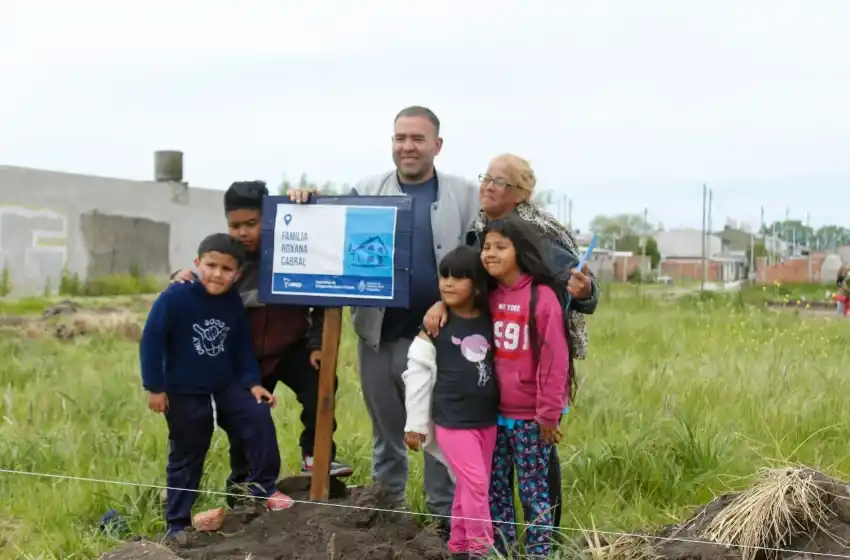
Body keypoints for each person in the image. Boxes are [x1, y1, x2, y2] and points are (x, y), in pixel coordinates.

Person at [287, 106, 480, 529]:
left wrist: (448, 304)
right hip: (379, 337)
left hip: (439, 341)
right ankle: (387, 523)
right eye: (400, 138)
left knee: (437, 435)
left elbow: (481, 261)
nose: (407, 147)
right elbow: (327, 241)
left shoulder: (465, 195)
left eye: (417, 139)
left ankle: (443, 525)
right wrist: (307, 204)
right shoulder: (366, 189)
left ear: (437, 145)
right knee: (386, 435)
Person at [424, 153, 597, 529]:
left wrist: (584, 292)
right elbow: (468, 281)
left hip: (537, 359)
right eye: (486, 177)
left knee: (537, 469)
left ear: (522, 192)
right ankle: (499, 539)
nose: (488, 186)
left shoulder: (540, 232)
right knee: (498, 473)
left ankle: (544, 542)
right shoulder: (481, 227)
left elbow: (581, 289)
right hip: (496, 364)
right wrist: (443, 301)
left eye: (500, 182)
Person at [170, 181, 353, 490]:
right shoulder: (227, 259)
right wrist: (179, 278)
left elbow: (324, 292)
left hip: (292, 346)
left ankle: (316, 455)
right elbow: (199, 281)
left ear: (268, 217)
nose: (243, 232)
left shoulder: (294, 247)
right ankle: (243, 485)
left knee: (319, 384)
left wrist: (316, 343)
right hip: (245, 357)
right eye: (235, 225)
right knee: (243, 419)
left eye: (251, 224)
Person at [140, 233, 293, 540]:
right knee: (189, 448)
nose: (217, 274)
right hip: (183, 388)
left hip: (225, 383)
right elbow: (151, 340)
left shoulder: (232, 302)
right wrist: (155, 387)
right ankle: (178, 523)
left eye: (226, 269)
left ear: (237, 274)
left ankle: (264, 488)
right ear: (197, 264)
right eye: (211, 265)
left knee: (257, 415)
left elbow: (240, 347)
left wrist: (252, 384)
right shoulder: (175, 297)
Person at [481, 215, 570, 558]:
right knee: (496, 490)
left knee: (534, 493)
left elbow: (555, 360)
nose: (490, 253)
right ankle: (503, 552)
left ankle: (538, 554)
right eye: (487, 247)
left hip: (532, 419)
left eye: (501, 247)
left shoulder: (540, 297)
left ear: (521, 251)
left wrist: (548, 414)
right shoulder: (487, 295)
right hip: (494, 415)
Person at [402, 246, 499, 559]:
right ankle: (481, 551)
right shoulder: (436, 326)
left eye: (458, 278)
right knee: (476, 485)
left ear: (477, 283)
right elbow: (416, 373)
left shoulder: (491, 318)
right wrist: (415, 424)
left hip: (487, 420)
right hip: (452, 421)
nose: (448, 283)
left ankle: (458, 548)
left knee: (466, 487)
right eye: (444, 276)